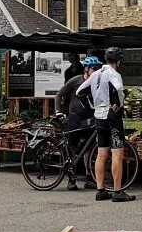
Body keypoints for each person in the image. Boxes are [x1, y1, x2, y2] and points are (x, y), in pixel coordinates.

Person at [79, 47, 135, 202]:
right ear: (118, 61)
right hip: (112, 117)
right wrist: (118, 104)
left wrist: (91, 106)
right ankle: (117, 192)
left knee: (102, 154)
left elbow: (80, 91)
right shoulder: (114, 74)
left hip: (99, 116)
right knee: (117, 153)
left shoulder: (96, 73)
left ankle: (101, 190)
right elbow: (118, 89)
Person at [56, 56, 101, 191]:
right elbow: (59, 94)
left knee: (89, 148)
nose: (97, 71)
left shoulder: (96, 82)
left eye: (99, 69)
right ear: (86, 69)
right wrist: (58, 111)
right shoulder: (76, 80)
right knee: (72, 147)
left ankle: (89, 177)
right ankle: (71, 178)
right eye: (94, 69)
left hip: (89, 118)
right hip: (75, 118)